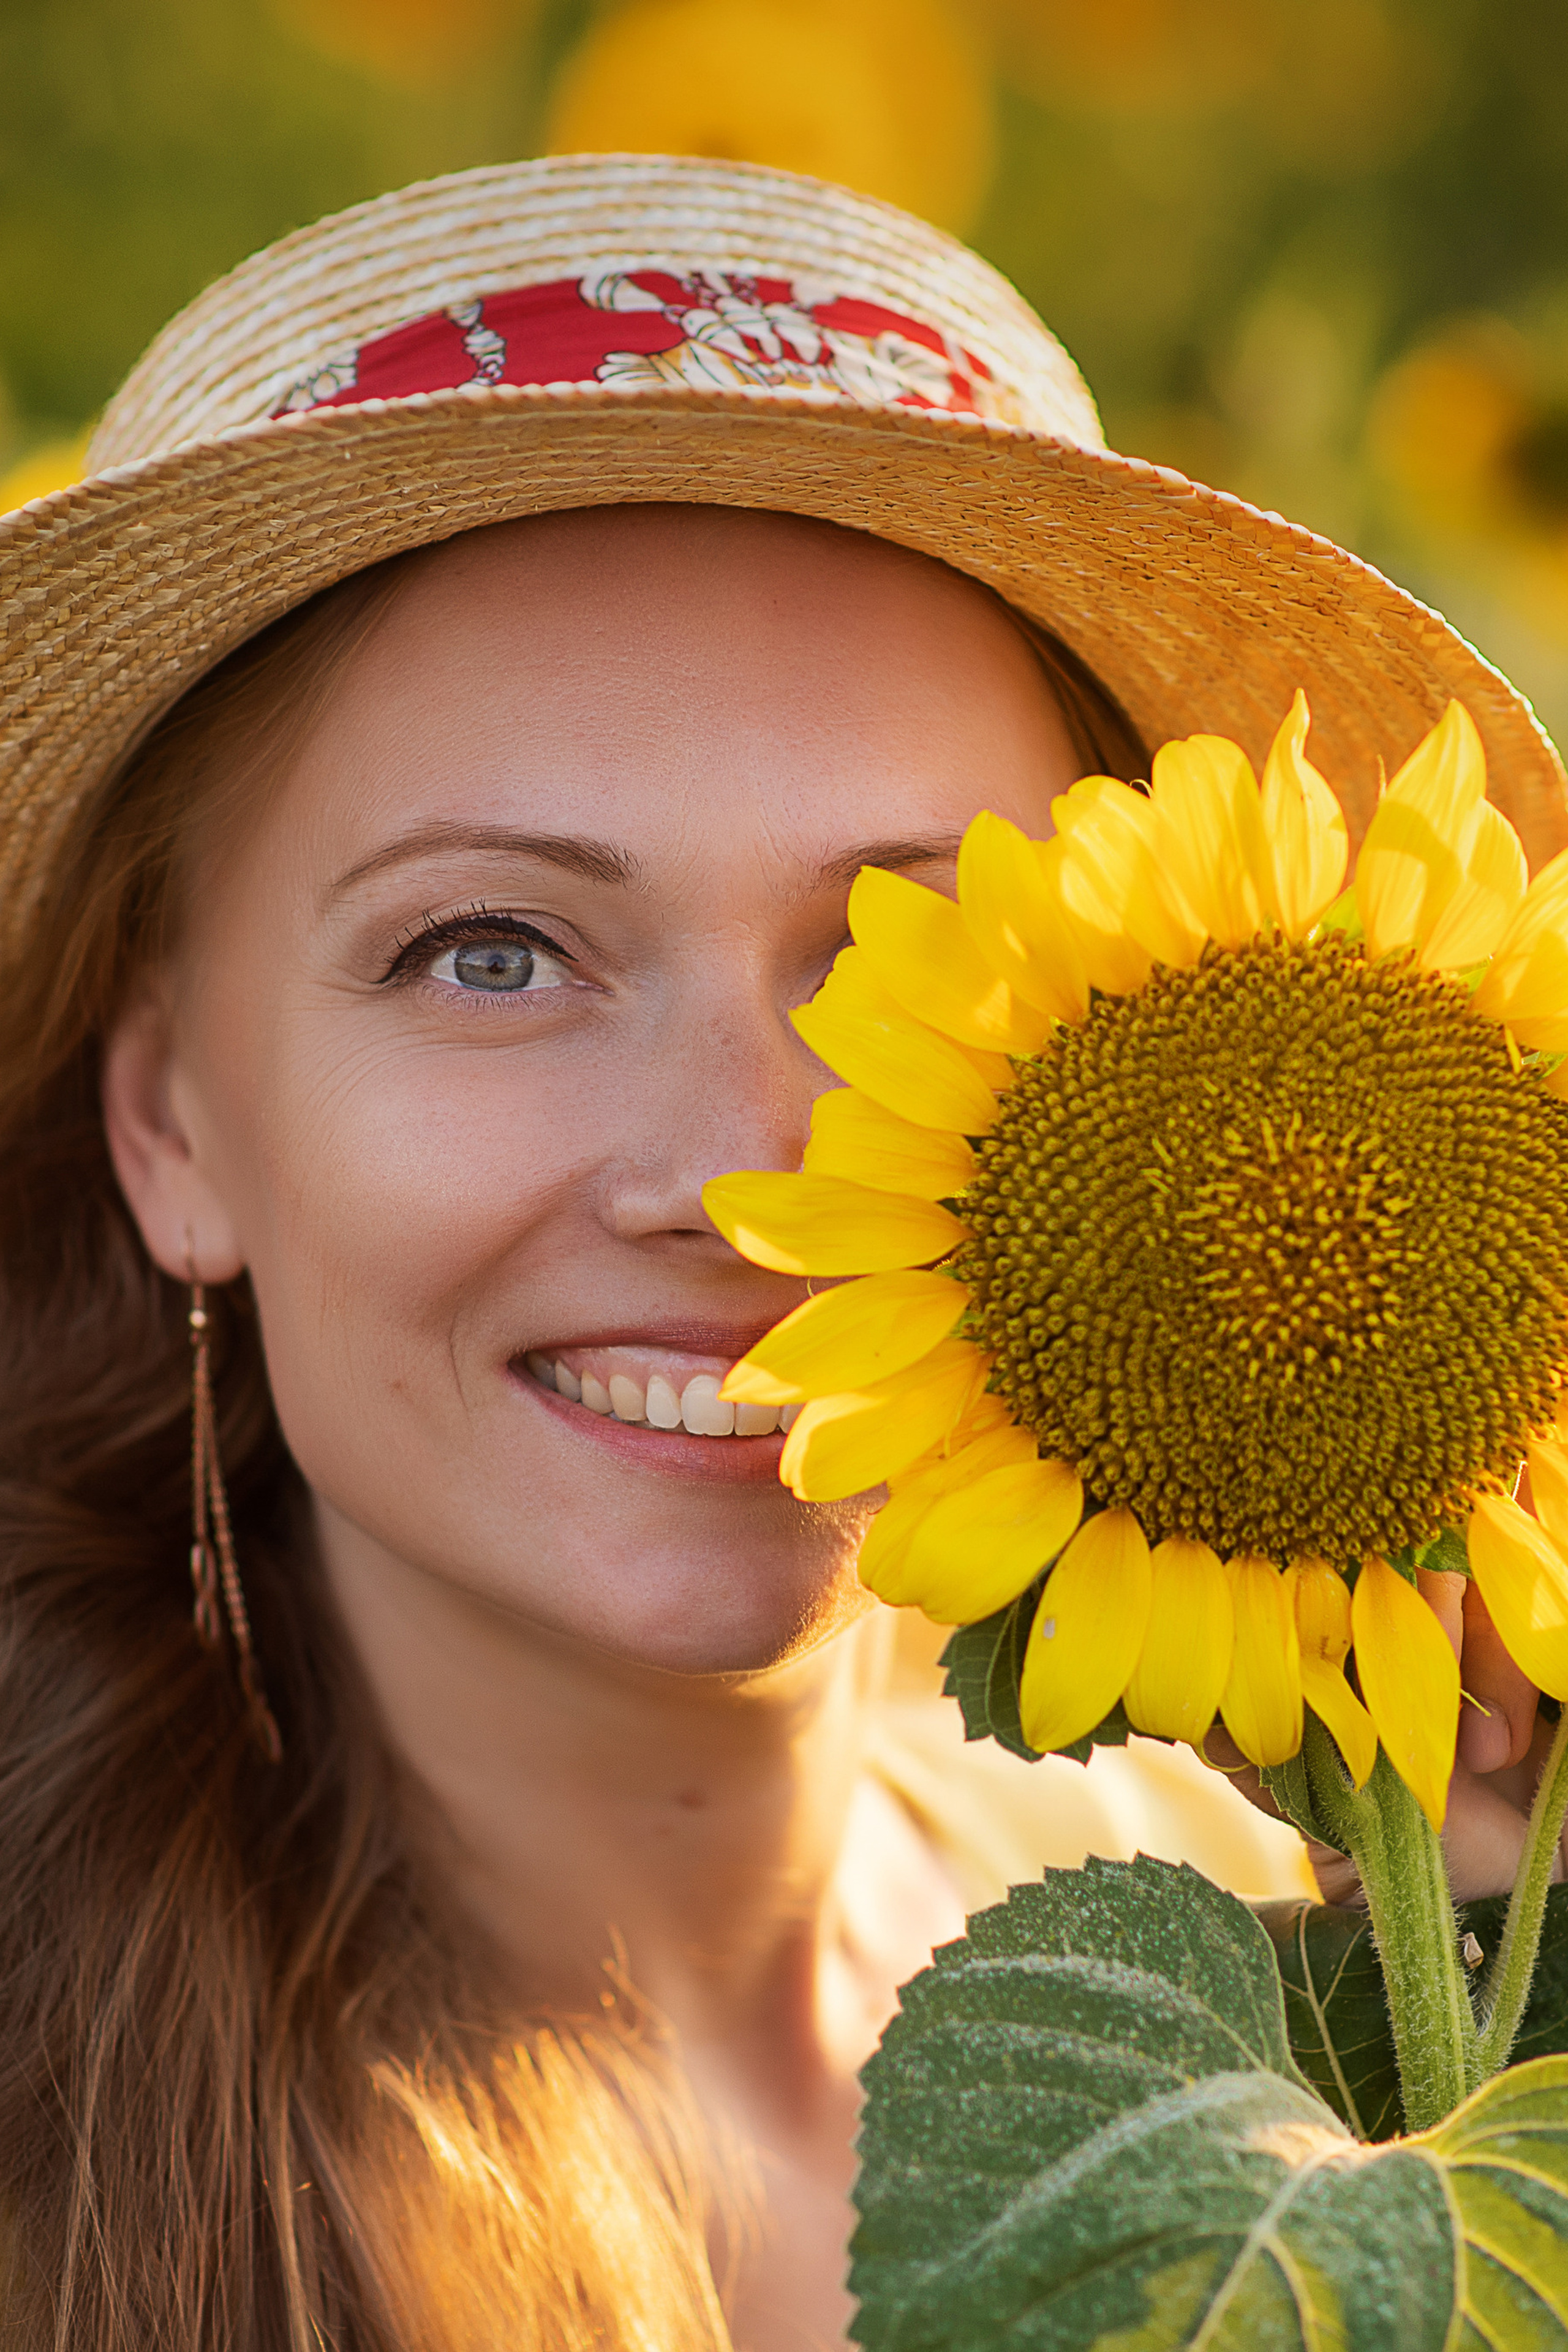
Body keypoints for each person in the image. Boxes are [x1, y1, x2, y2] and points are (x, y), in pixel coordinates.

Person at [0, 154, 1562, 2352]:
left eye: (896, 964)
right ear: (171, 1119)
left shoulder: (1281, 1953)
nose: (744, 1178)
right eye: (489, 951)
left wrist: (1488, 1969)